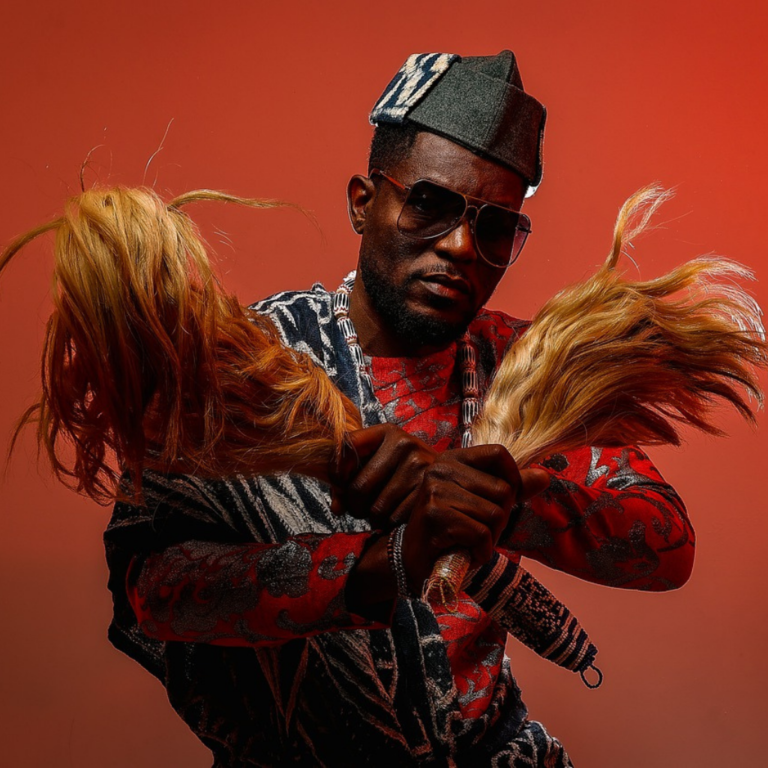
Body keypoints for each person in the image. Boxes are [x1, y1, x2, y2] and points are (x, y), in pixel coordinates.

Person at [105, 51, 695, 766]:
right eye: (429, 204)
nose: (457, 247)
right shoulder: (251, 369)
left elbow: (667, 543)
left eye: (495, 227)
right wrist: (381, 565)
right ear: (363, 200)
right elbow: (154, 593)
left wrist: (507, 507)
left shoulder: (529, 369)